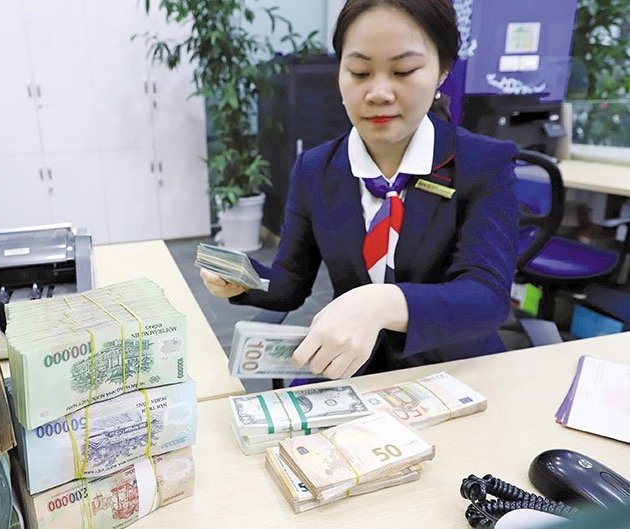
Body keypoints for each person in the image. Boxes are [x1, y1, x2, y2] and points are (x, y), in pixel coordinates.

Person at [201, 0, 519, 379]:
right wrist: (242, 281)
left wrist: (383, 304)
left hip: (452, 370)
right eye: (359, 72)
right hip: (352, 370)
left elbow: (487, 296)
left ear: (442, 71)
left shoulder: (483, 164)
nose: (378, 93)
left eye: (404, 70)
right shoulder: (315, 170)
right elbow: (290, 284)